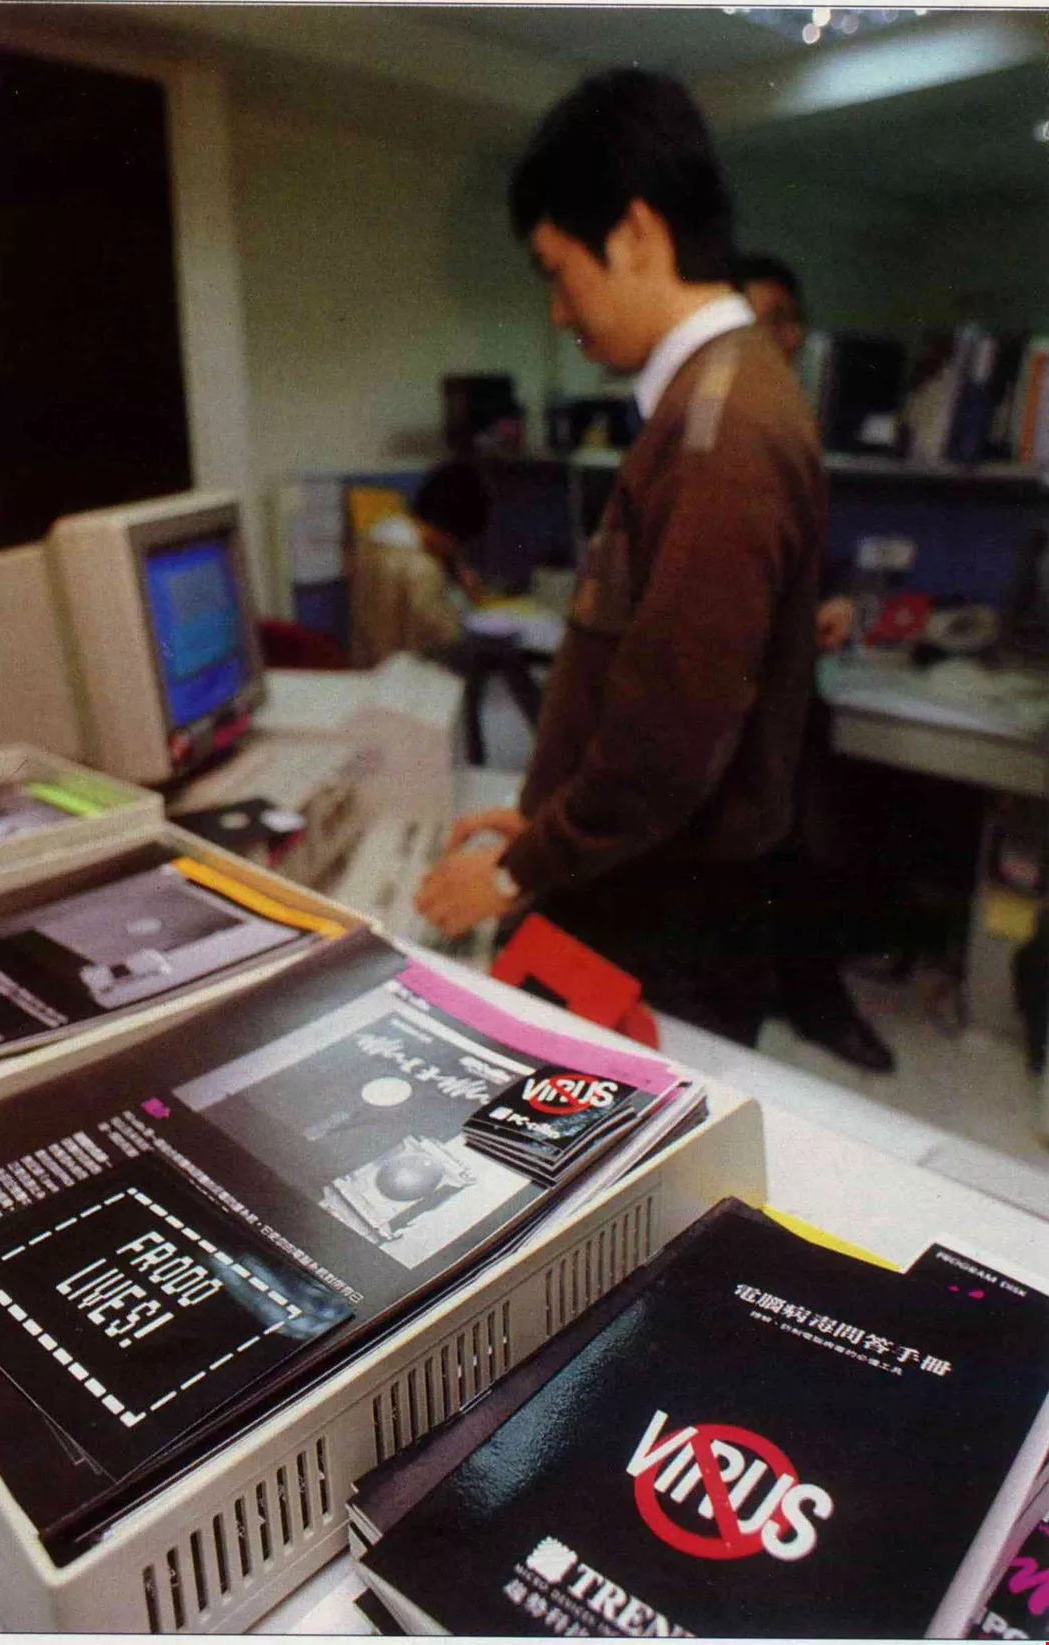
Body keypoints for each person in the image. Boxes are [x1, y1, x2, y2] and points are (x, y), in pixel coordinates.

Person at [416, 70, 826, 1048]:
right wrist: (547, 824)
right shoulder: (710, 399)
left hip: (669, 920)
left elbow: (668, 738)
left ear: (636, 233)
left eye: (559, 272)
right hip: (644, 885)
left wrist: (517, 871)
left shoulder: (722, 426)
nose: (559, 312)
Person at [738, 253, 896, 1073]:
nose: (760, 340)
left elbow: (794, 563)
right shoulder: (732, 427)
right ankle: (804, 1000)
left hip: (792, 693)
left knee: (812, 851)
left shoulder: (793, 426)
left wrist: (826, 603)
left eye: (772, 323)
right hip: (743, 697)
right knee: (777, 855)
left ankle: (813, 999)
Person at [350, 459, 543, 764]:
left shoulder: (370, 542)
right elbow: (446, 634)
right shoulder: (423, 570)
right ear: (451, 534)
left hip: (367, 683)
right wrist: (456, 594)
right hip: (412, 703)